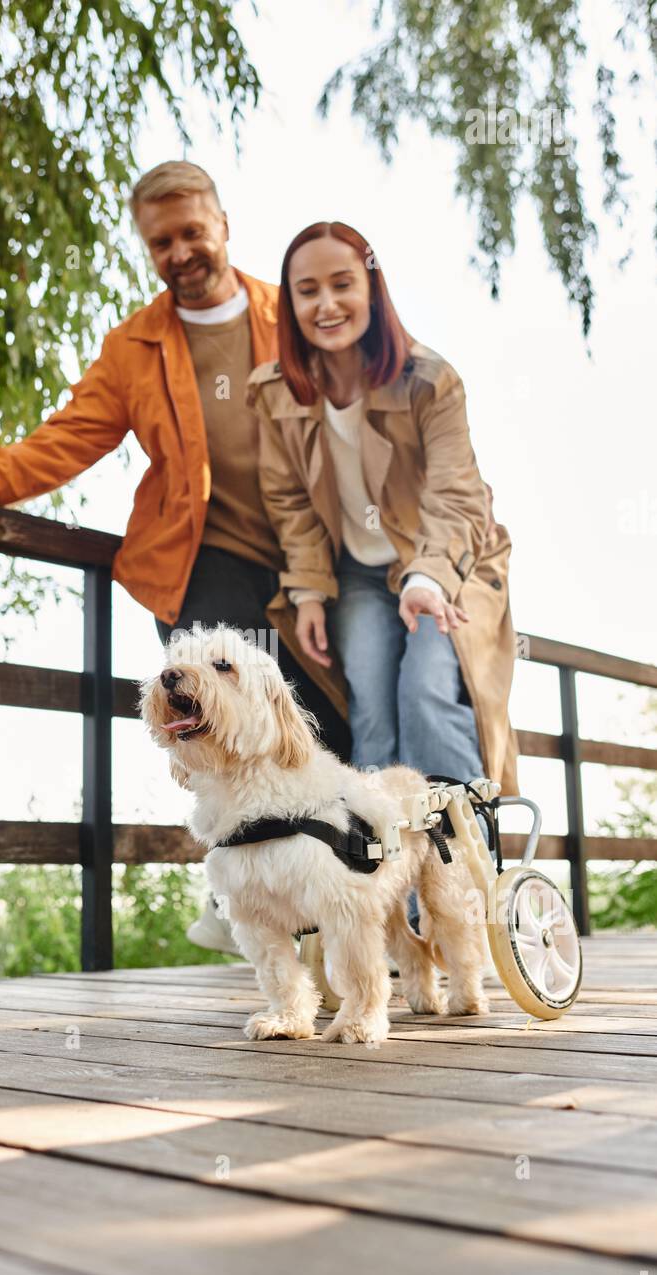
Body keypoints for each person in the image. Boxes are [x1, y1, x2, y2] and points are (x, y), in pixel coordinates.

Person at [0, 162, 351, 955]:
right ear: (149, 248)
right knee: (221, 713)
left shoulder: (288, 314)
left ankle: (344, 901)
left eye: (193, 233)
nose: (181, 252)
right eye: (161, 242)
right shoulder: (135, 347)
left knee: (329, 723)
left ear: (224, 225)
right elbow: (60, 445)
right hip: (202, 560)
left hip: (310, 558)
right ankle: (235, 887)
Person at [246, 221, 519, 932]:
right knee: (371, 715)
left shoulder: (430, 379)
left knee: (427, 694)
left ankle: (468, 891)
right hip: (359, 576)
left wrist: (427, 578)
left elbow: (457, 494)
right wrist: (307, 590)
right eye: (308, 290)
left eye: (343, 284)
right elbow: (289, 502)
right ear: (291, 304)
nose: (327, 303)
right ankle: (384, 904)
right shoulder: (274, 391)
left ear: (372, 289)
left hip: (449, 564)